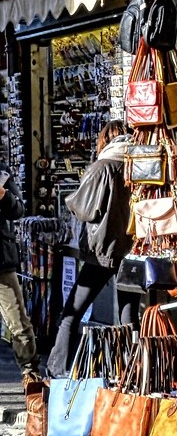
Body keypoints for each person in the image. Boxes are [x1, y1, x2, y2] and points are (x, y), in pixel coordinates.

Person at [47, 121, 136, 378]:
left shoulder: (103, 166)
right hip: (131, 250)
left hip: (103, 249)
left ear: (105, 139)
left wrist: (70, 201)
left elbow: (85, 208)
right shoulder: (139, 163)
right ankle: (129, 373)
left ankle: (58, 369)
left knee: (72, 311)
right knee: (128, 315)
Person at [0, 170, 41, 383]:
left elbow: (18, 210)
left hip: (1, 262)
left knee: (17, 320)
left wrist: (3, 196)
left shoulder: (2, 173)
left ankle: (30, 374)